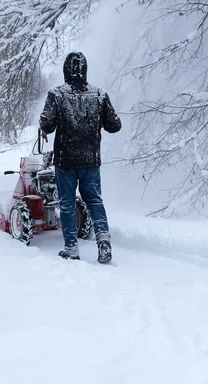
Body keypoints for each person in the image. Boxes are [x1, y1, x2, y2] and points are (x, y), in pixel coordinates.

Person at [39, 51, 121, 263]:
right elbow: (114, 125)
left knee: (66, 203)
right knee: (94, 201)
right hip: (91, 162)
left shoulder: (57, 95)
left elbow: (46, 125)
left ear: (66, 71)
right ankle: (103, 241)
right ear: (85, 70)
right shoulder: (99, 95)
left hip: (65, 162)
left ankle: (71, 249)